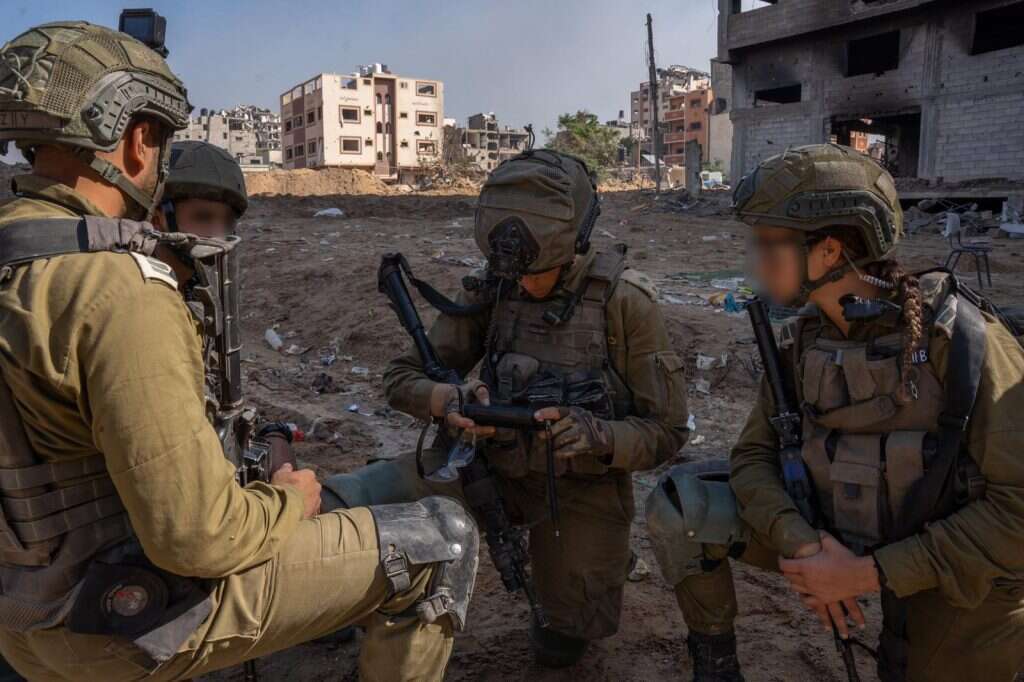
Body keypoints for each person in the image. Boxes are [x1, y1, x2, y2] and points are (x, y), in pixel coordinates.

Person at [0, 21, 477, 681]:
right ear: (139, 141)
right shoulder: (119, 288)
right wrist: (288, 500)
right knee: (440, 542)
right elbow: (197, 536)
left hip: (22, 613)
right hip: (112, 622)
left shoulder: (23, 257)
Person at [645, 144, 1024, 682]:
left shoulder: (962, 342)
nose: (752, 259)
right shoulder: (808, 339)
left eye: (766, 243)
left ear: (827, 251)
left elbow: (1018, 511)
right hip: (835, 532)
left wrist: (869, 575)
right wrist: (804, 546)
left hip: (948, 568)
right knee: (682, 506)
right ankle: (716, 666)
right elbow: (753, 458)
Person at [323, 149, 691, 667]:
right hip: (487, 469)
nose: (520, 285)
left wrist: (599, 435)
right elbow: (401, 376)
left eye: (535, 274)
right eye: (512, 274)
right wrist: (445, 400)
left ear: (574, 245)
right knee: (346, 505)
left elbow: (668, 429)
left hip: (579, 489)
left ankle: (599, 557)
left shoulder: (623, 303)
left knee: (562, 643)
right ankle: (330, 601)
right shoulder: (497, 284)